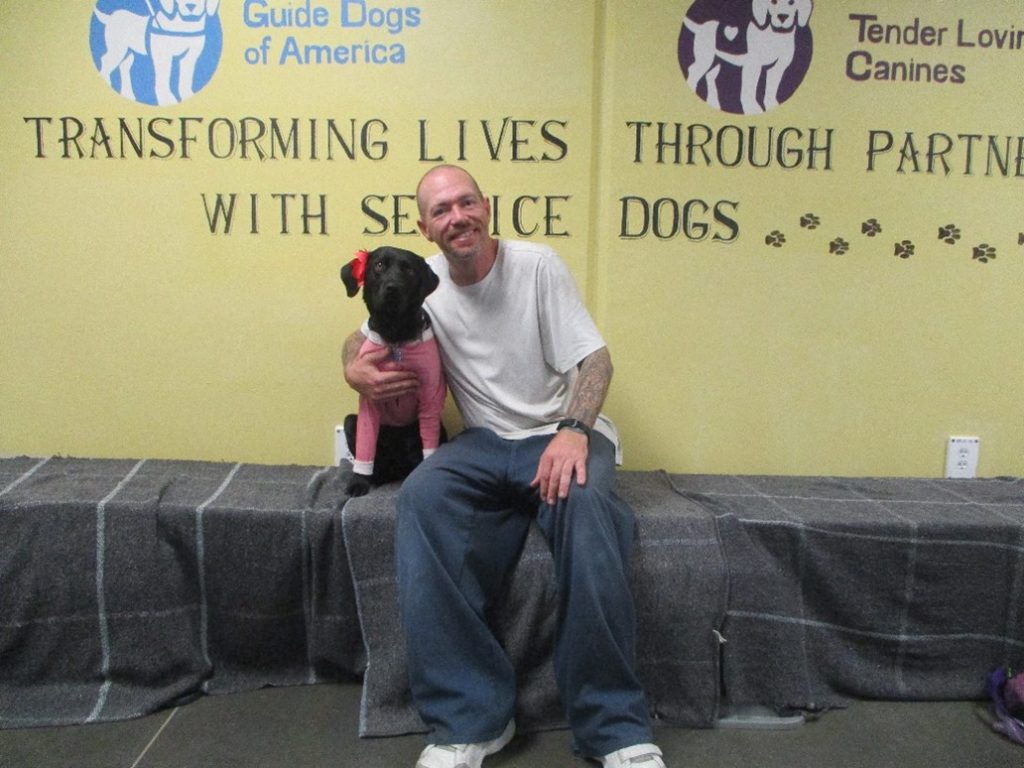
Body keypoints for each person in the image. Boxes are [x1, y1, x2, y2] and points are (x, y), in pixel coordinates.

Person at [342, 165, 665, 768]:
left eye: (466, 203)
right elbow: (360, 334)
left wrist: (573, 430)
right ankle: (472, 721)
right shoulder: (423, 281)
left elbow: (595, 360)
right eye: (441, 210)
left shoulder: (537, 265)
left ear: (486, 208)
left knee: (590, 508)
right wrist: (350, 367)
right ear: (424, 227)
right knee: (422, 496)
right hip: (485, 444)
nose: (456, 216)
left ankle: (615, 729)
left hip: (558, 432)